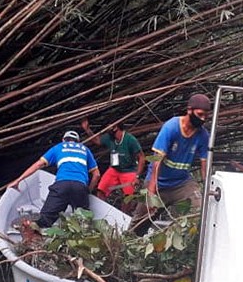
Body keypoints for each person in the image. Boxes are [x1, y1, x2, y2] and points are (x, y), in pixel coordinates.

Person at [130, 94, 211, 236]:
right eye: (200, 114)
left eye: (206, 116)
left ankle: (183, 243)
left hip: (182, 183)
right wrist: (151, 190)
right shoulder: (171, 127)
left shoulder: (203, 135)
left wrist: (207, 187)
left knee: (198, 211)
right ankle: (127, 245)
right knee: (140, 222)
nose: (203, 119)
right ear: (189, 110)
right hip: (159, 181)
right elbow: (157, 160)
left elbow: (205, 164)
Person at [6, 130, 100, 228]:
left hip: (61, 186)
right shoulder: (85, 149)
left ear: (63, 140)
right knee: (83, 222)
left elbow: (38, 165)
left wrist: (18, 180)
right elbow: (96, 175)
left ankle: (34, 230)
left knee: (44, 219)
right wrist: (88, 190)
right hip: (80, 186)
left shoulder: (58, 147)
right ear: (78, 141)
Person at [80, 119, 146, 204]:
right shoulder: (110, 138)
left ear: (115, 127)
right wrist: (87, 129)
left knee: (128, 198)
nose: (106, 128)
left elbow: (141, 157)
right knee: (101, 190)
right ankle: (102, 211)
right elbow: (97, 141)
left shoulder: (130, 139)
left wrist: (137, 176)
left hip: (129, 170)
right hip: (114, 169)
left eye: (109, 126)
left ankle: (124, 215)